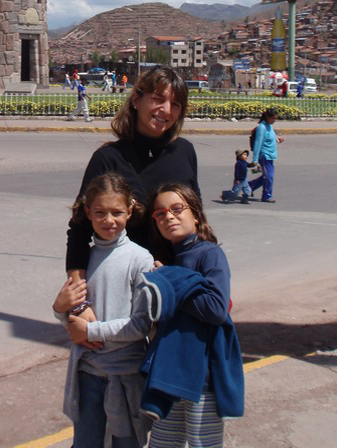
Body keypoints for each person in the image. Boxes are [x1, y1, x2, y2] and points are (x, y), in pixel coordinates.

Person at [65, 66, 200, 294]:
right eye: (158, 99)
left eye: (175, 104)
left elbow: (197, 222)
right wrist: (79, 300)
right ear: (137, 99)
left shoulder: (185, 153)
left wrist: (209, 278)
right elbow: (79, 231)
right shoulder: (108, 159)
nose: (166, 110)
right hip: (120, 290)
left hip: (179, 286)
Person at [53, 173, 153, 448]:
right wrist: (59, 310)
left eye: (117, 212)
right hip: (88, 375)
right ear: (88, 212)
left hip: (126, 376)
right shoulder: (83, 260)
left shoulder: (140, 259)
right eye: (100, 212)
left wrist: (92, 331)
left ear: (130, 210)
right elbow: (73, 319)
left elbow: (141, 325)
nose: (109, 220)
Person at [143, 183, 244, 448]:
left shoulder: (210, 254)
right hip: (171, 373)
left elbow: (216, 308)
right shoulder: (169, 258)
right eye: (160, 213)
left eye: (177, 209)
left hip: (202, 376)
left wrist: (170, 279)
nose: (169, 216)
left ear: (196, 215)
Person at [249, 108, 285, 203]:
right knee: (269, 176)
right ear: (267, 117)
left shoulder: (269, 126)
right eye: (273, 118)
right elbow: (258, 143)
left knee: (267, 176)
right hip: (264, 156)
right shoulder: (262, 127)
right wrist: (255, 159)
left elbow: (270, 136)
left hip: (270, 155)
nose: (275, 120)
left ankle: (250, 186)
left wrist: (277, 139)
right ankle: (266, 195)